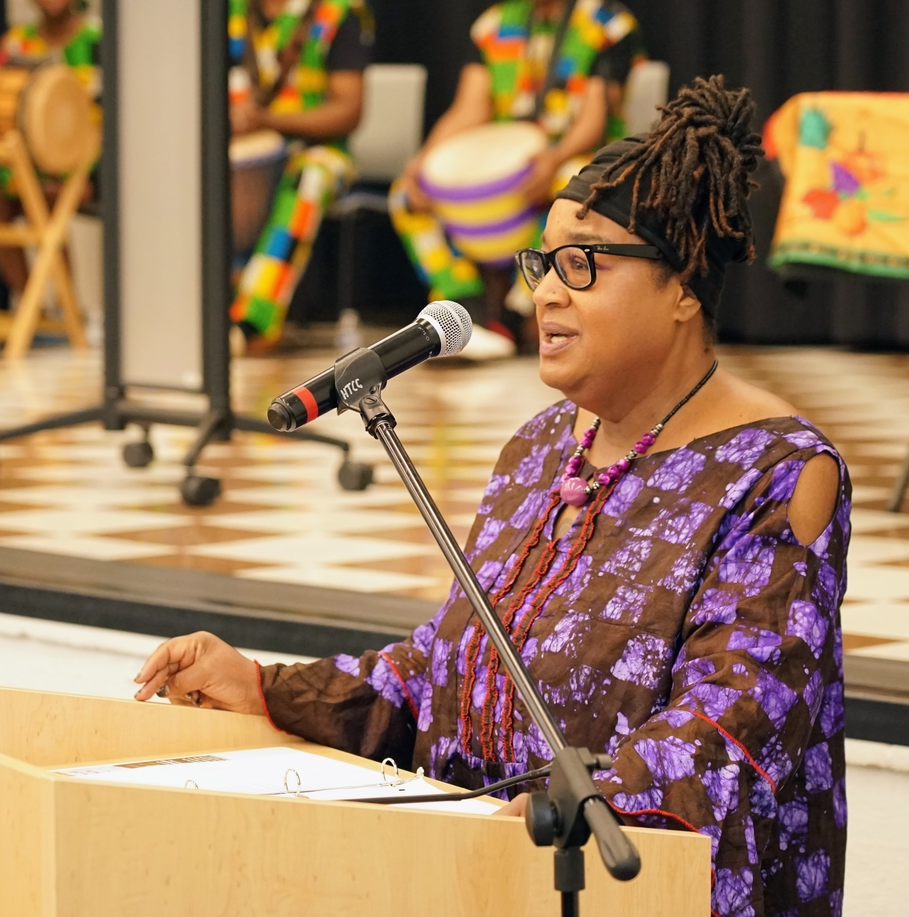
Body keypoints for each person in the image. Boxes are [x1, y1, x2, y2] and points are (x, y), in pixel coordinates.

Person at [134, 77, 849, 917]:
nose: (545, 292)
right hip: (488, 882)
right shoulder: (542, 445)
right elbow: (447, 672)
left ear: (684, 286)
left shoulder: (779, 472)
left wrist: (562, 811)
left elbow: (725, 730)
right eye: (542, 263)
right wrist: (265, 686)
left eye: (583, 263)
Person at [392, 0, 644, 361]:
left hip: (577, 155)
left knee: (569, 186)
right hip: (506, 160)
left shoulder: (607, 23)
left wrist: (553, 158)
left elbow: (595, 120)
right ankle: (468, 309)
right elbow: (470, 109)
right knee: (407, 195)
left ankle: (516, 313)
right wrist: (421, 163)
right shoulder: (494, 24)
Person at [228, 0, 373, 354]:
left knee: (308, 178)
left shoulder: (336, 13)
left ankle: (253, 321)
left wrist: (268, 122)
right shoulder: (228, 12)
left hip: (321, 152)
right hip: (243, 151)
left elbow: (349, 110)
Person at [0, 0, 101, 302]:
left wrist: (81, 169)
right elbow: (2, 108)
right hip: (26, 167)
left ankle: (65, 308)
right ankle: (31, 304)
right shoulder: (17, 43)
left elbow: (110, 117)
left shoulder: (97, 39)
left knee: (44, 200)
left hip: (85, 167)